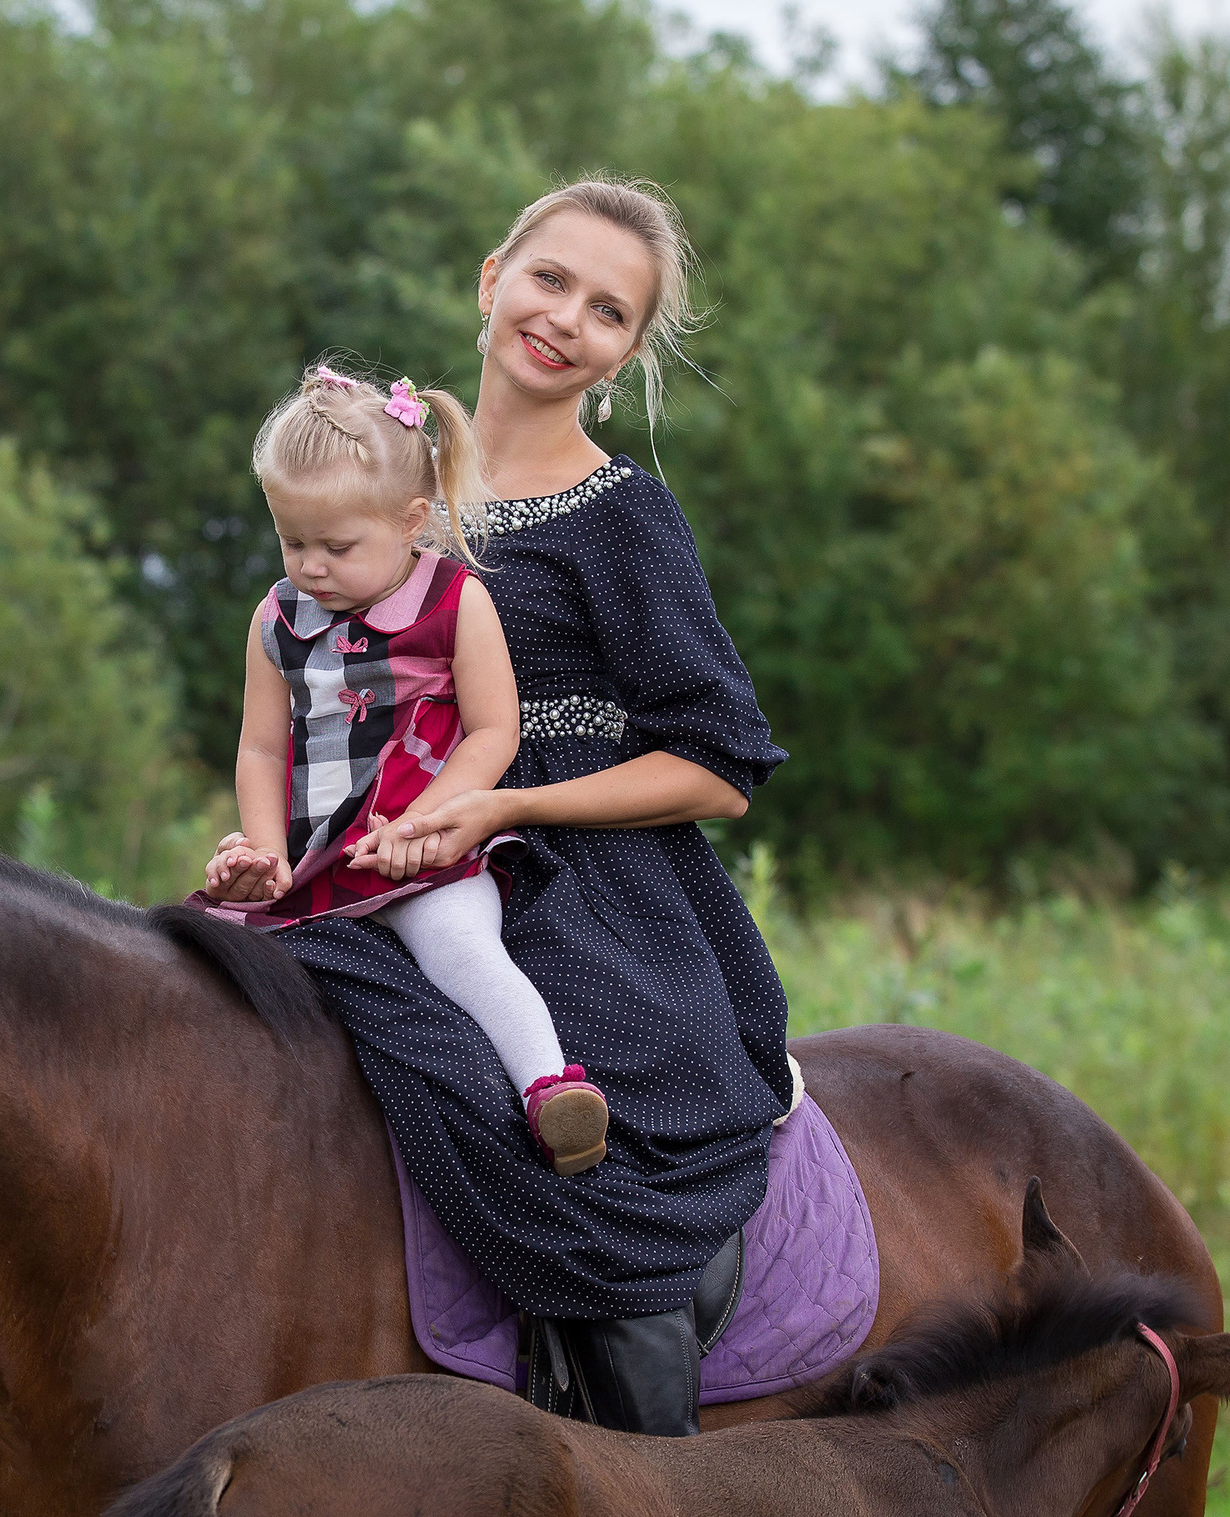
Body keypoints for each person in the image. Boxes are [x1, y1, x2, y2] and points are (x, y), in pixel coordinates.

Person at [274, 178, 795, 1438]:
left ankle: (654, 1484)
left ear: (624, 355)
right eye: (550, 279)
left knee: (573, 1149)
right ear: (491, 277)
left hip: (589, 898)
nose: (565, 318)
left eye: (608, 311)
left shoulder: (624, 518)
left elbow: (718, 766)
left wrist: (505, 803)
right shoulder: (381, 481)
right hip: (378, 864)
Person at [195, 366, 613, 1175]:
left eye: (336, 547)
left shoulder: (455, 601)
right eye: (292, 542)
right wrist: (263, 850)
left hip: (426, 854)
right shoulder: (277, 619)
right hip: (314, 862)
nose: (310, 567)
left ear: (412, 521)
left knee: (461, 948)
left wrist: (426, 824)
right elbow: (262, 749)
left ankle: (551, 1089)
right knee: (215, 967)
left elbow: (493, 731)